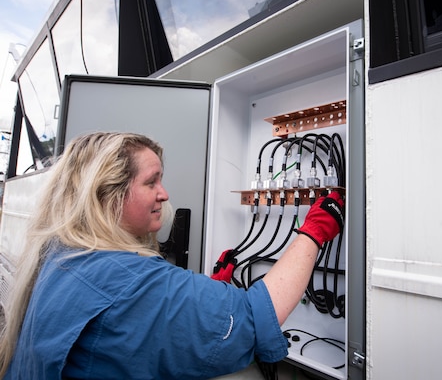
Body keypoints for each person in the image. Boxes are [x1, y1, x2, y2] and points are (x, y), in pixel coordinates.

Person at [0, 131, 344, 379]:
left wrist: (211, 290)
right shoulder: (128, 279)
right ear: (108, 194)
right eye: (152, 182)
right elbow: (252, 321)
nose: (164, 194)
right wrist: (314, 231)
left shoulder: (64, 254)